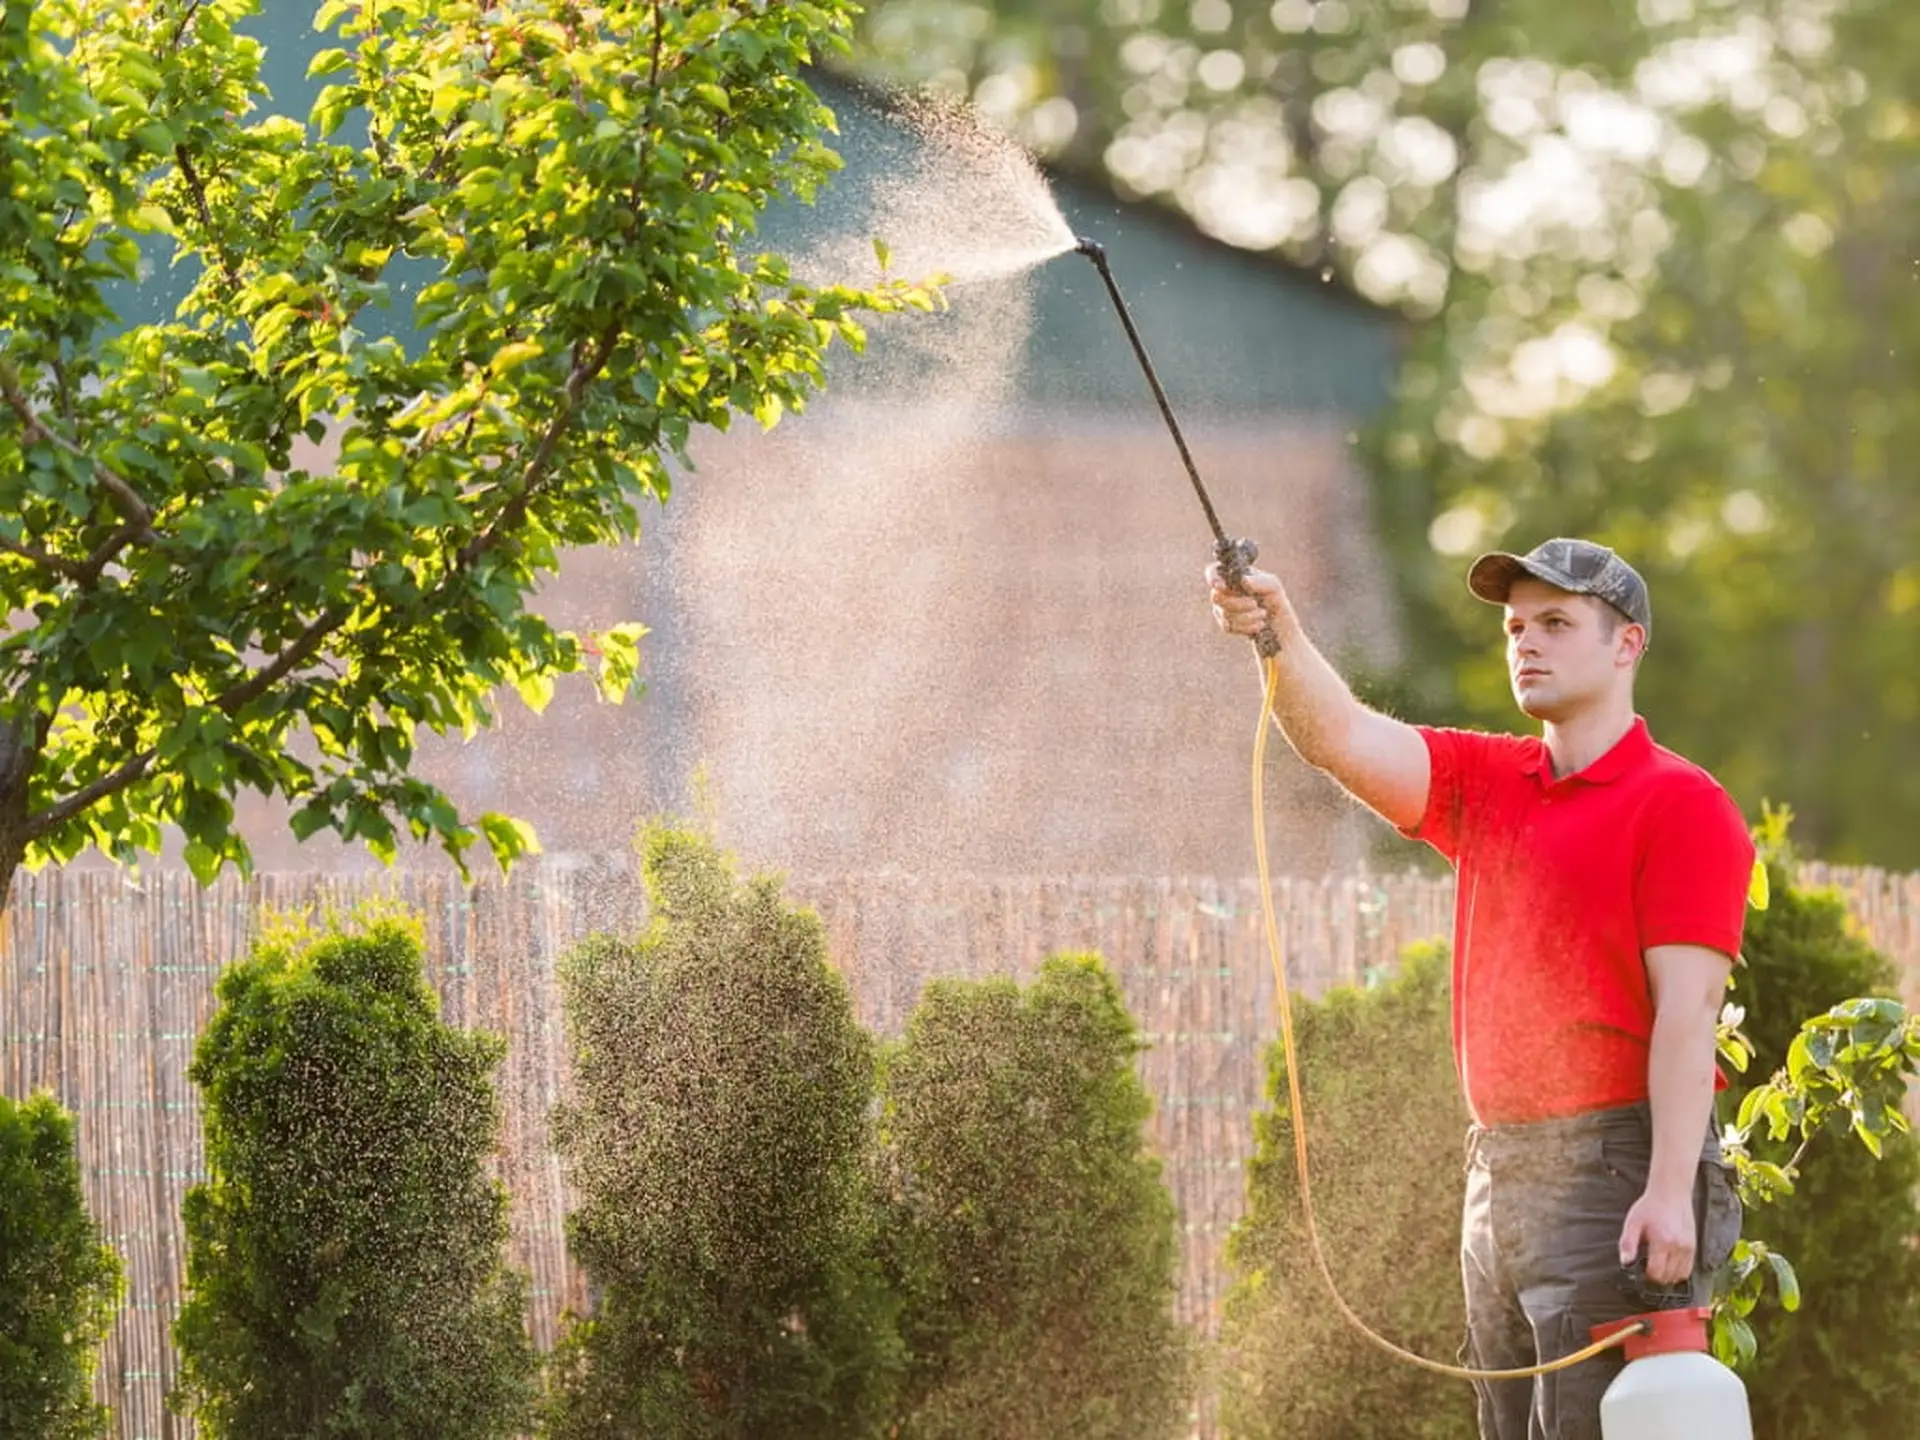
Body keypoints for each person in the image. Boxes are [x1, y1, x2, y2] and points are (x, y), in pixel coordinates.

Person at [1208, 536, 1750, 1440]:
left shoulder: (1682, 804)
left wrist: (1664, 1193)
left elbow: (1688, 1018)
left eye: (1555, 623)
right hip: (1497, 1173)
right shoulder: (1490, 781)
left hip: (1612, 1176)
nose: (1525, 643)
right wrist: (1280, 635)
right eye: (1514, 627)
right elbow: (1338, 737)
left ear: (1628, 645)